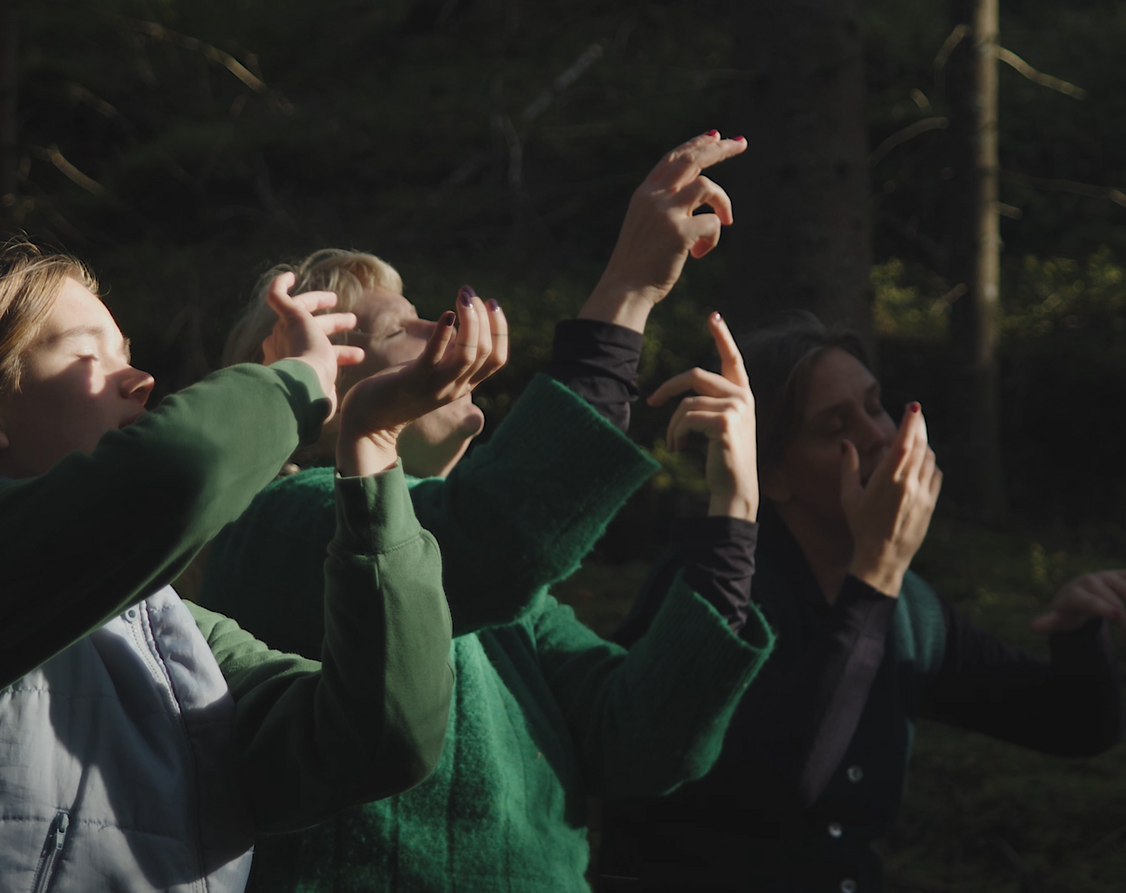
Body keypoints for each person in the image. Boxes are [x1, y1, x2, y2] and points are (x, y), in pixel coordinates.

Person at [0, 242, 480, 892]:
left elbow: (379, 740)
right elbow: (173, 474)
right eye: (89, 353)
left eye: (130, 352)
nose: (144, 380)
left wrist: (373, 445)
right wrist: (295, 382)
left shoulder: (170, 631)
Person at [199, 131, 774, 892]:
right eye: (399, 324)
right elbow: (499, 535)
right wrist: (628, 289)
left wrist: (733, 511)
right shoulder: (274, 523)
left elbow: (644, 742)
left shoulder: (503, 599)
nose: (445, 323)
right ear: (326, 383)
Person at [599, 310, 1125, 893]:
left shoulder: (906, 609)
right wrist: (876, 573)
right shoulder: (716, 593)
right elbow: (782, 786)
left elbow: (1074, 727)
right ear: (772, 475)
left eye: (875, 406)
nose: (879, 435)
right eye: (835, 427)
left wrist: (1080, 630)